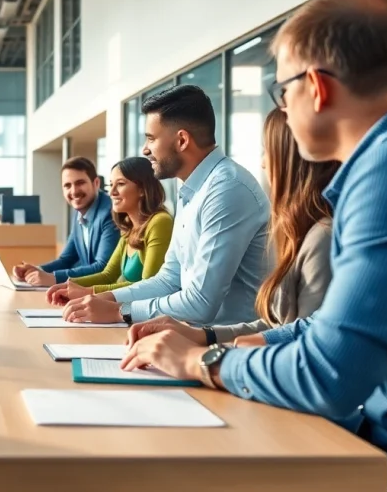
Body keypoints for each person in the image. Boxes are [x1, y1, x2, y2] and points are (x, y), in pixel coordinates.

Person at [116, 0, 387, 492]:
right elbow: (326, 326)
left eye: (282, 91)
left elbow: (330, 373)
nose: (281, 108)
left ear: (317, 87)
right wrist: (206, 337)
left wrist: (202, 363)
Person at [63, 85, 270, 327]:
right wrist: (103, 299)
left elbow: (200, 303)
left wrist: (120, 311)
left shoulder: (226, 189)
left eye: (151, 138)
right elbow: (169, 279)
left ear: (182, 140)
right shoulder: (191, 190)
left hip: (228, 346)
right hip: (192, 335)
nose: (145, 149)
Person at [131, 109, 338, 347]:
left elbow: (305, 344)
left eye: (268, 151)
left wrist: (203, 359)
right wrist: (205, 337)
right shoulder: (297, 232)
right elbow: (276, 326)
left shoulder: (321, 237)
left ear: (292, 162)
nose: (262, 163)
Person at [46, 157, 173, 304]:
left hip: (148, 315)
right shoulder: (129, 227)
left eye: (120, 184)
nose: (111, 192)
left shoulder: (160, 222)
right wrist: (68, 285)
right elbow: (108, 275)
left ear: (142, 189)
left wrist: (88, 292)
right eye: (111, 185)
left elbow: (149, 286)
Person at [12, 157, 120, 287]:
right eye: (67, 185)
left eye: (80, 183)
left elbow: (103, 267)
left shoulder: (110, 212)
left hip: (108, 294)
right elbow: (66, 260)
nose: (74, 191)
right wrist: (36, 271)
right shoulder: (79, 212)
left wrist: (53, 278)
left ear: (96, 183)